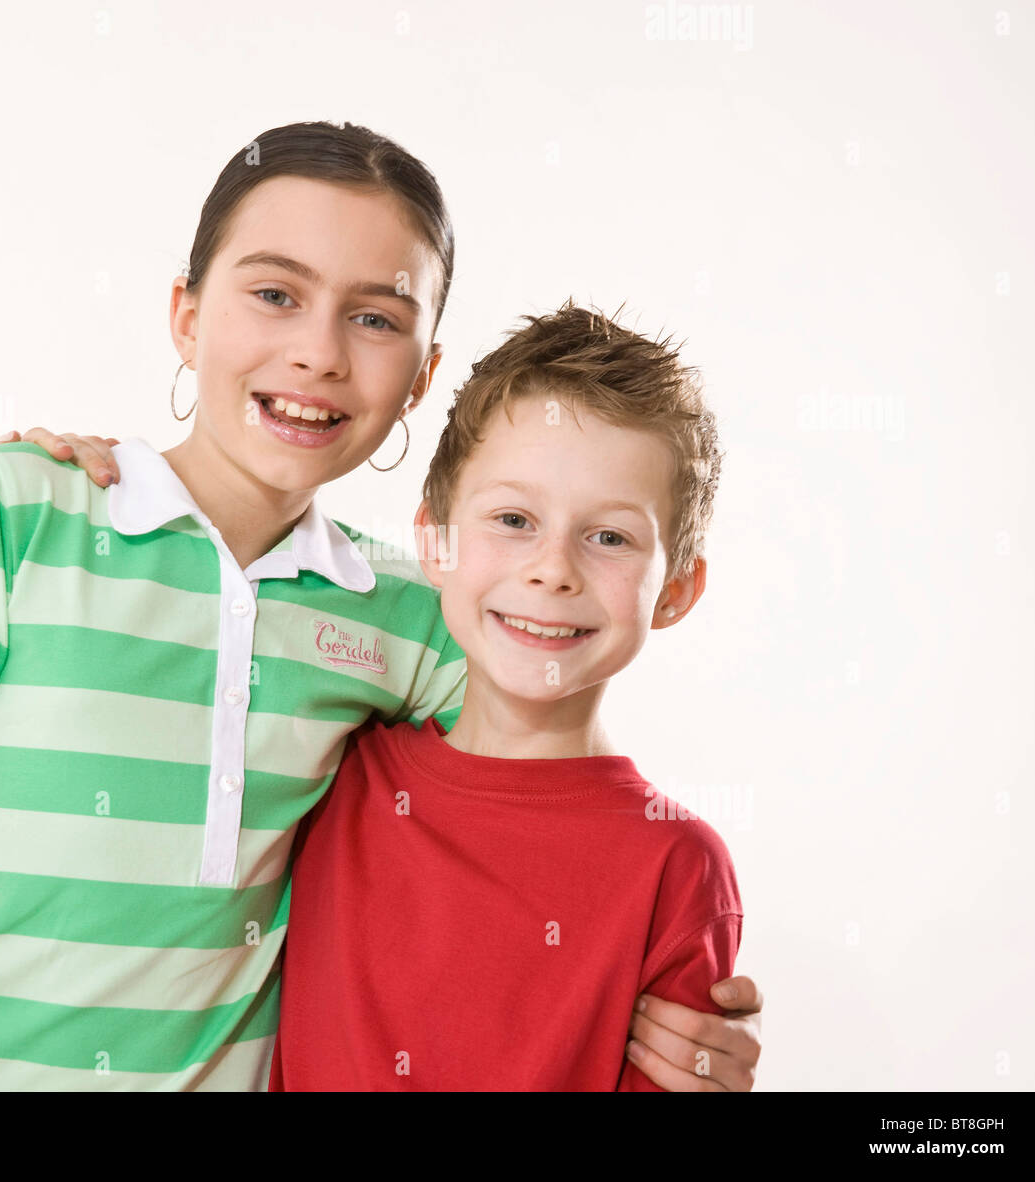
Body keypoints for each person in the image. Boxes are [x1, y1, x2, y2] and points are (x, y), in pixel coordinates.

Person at [0, 119, 759, 1091]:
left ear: (421, 376)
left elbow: (544, 814)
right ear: (187, 315)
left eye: (374, 317)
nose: (319, 353)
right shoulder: (10, 513)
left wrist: (668, 1006)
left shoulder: (414, 616)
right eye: (276, 294)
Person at [270, 300, 738, 1089]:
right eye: (515, 519)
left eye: (610, 537)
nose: (552, 569)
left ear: (677, 591)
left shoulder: (676, 865)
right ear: (436, 541)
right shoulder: (333, 762)